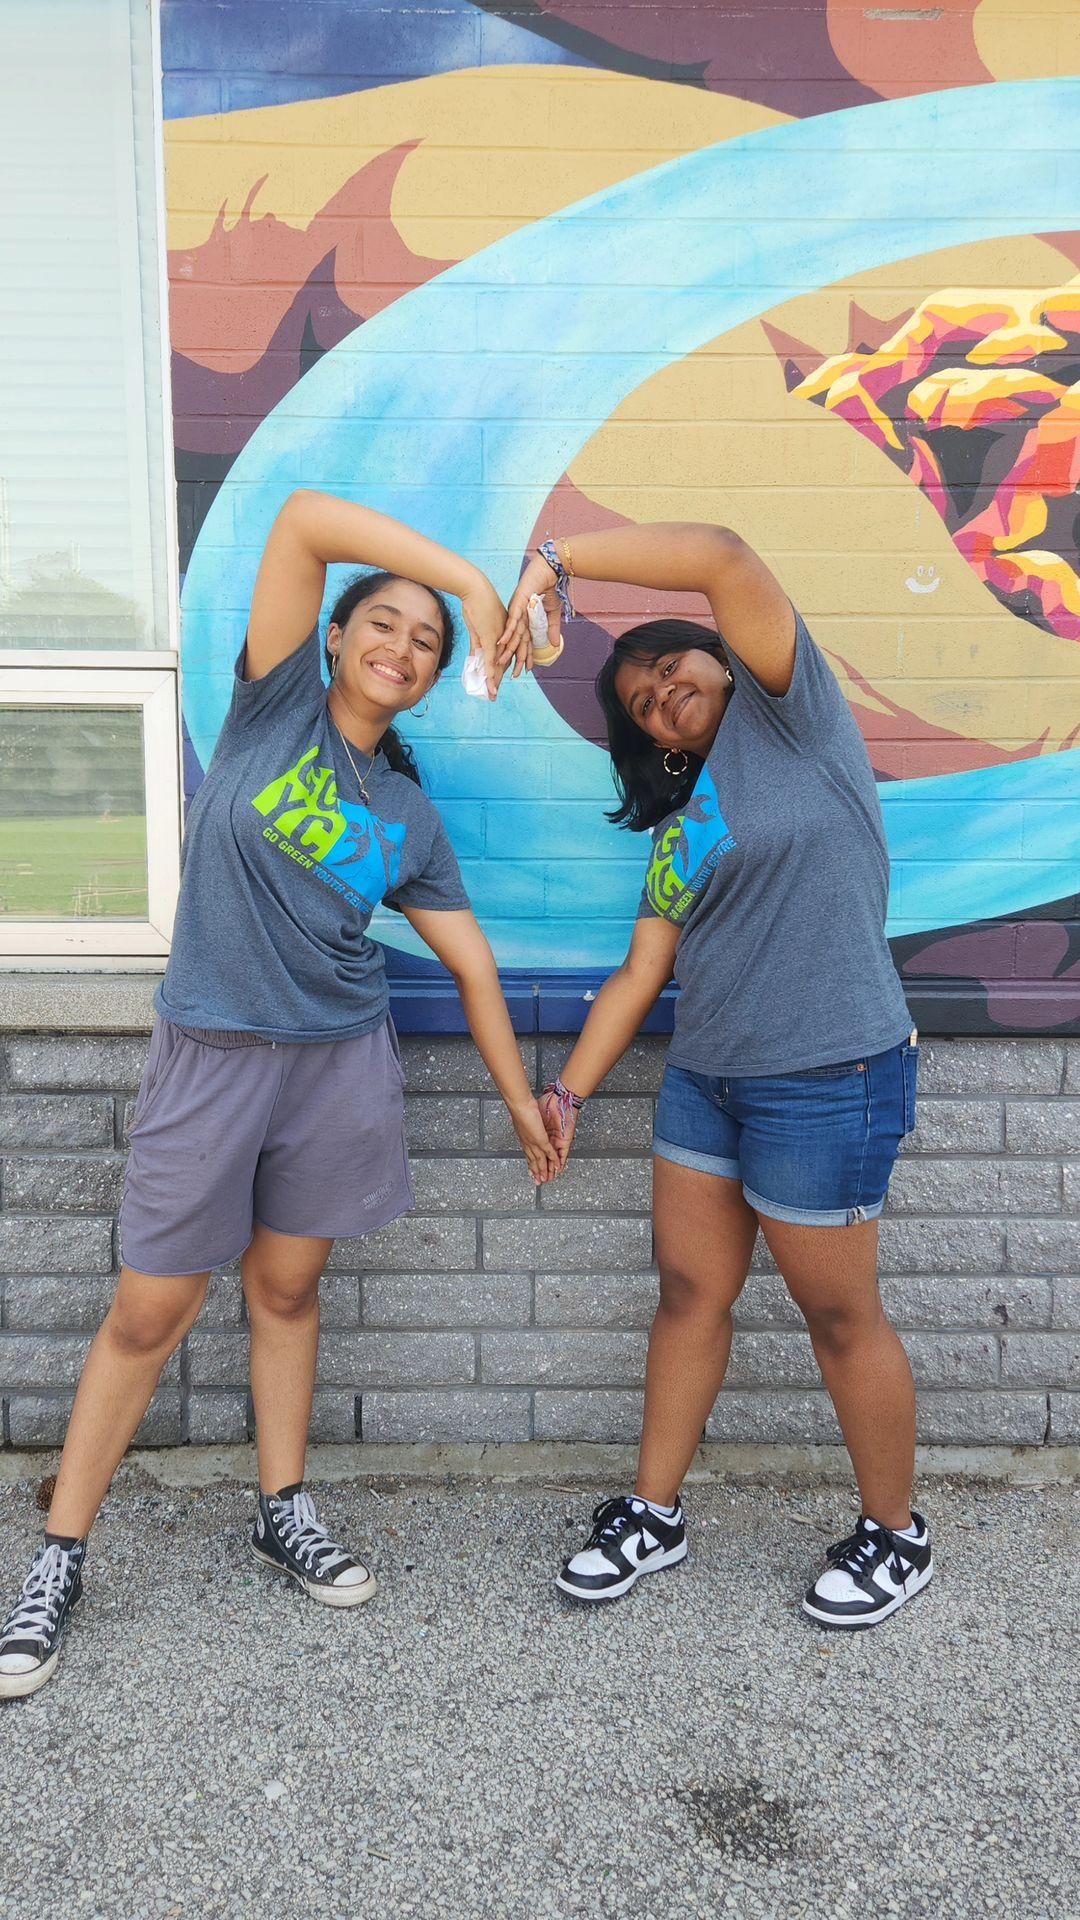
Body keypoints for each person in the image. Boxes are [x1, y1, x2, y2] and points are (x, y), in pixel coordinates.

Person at [0, 489, 558, 1699]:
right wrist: (466, 580)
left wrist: (521, 1097)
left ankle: (282, 1507)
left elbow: (469, 963)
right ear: (336, 636)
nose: (403, 650)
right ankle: (56, 1557)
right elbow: (306, 519)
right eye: (387, 624)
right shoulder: (270, 714)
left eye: (427, 644)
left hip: (337, 1064)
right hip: (212, 1055)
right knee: (149, 1310)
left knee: (290, 1286)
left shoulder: (406, 815)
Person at [504, 524, 931, 1630]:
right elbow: (642, 971)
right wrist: (568, 1094)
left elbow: (726, 555)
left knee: (840, 1315)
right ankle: (655, 1512)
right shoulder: (683, 827)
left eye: (667, 665)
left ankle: (897, 1533)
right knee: (691, 1295)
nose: (658, 692)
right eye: (641, 701)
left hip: (828, 1071)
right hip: (709, 1084)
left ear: (720, 657)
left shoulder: (795, 717)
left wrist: (556, 561)